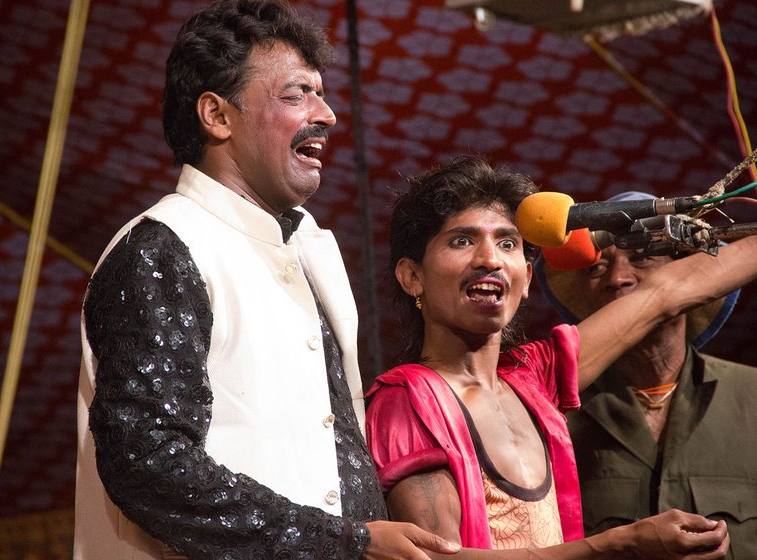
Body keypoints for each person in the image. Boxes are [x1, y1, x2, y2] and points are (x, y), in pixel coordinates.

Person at [73, 1, 459, 559]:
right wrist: (344, 542)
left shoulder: (307, 247)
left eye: (321, 93)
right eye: (297, 93)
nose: (325, 114)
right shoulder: (161, 248)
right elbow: (147, 461)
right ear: (217, 116)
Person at [364, 155, 757, 558]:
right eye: (462, 241)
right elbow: (437, 557)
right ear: (412, 276)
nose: (490, 259)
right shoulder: (406, 399)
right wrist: (619, 543)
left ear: (528, 279)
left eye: (507, 243)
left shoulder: (533, 380)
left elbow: (664, 294)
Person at [535, 191, 757, 559]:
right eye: (596, 268)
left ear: (690, 274)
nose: (619, 278)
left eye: (641, 257)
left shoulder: (751, 395)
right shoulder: (548, 413)